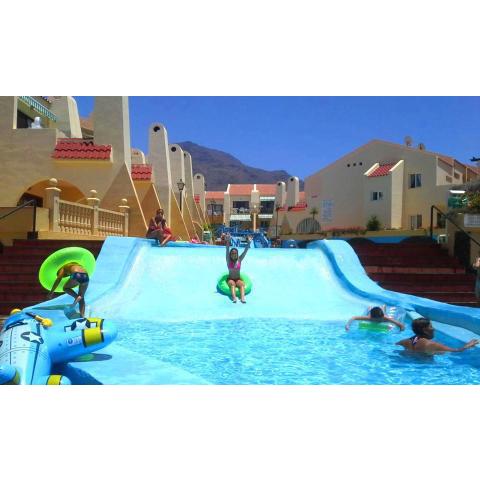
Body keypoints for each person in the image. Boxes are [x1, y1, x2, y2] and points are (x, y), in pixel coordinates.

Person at [396, 317, 479, 354]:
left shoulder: (403, 342)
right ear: (425, 330)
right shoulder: (431, 344)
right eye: (431, 326)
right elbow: (457, 351)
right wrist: (468, 345)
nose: (434, 329)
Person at [225, 233, 251, 303]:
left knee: (242, 284)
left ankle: (242, 298)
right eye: (232, 253)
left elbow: (245, 251)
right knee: (232, 284)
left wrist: (249, 243)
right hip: (230, 279)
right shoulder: (228, 260)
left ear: (237, 254)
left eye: (235, 253)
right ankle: (234, 298)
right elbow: (227, 250)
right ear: (230, 255)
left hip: (238, 279)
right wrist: (228, 241)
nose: (234, 254)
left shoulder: (239, 260)